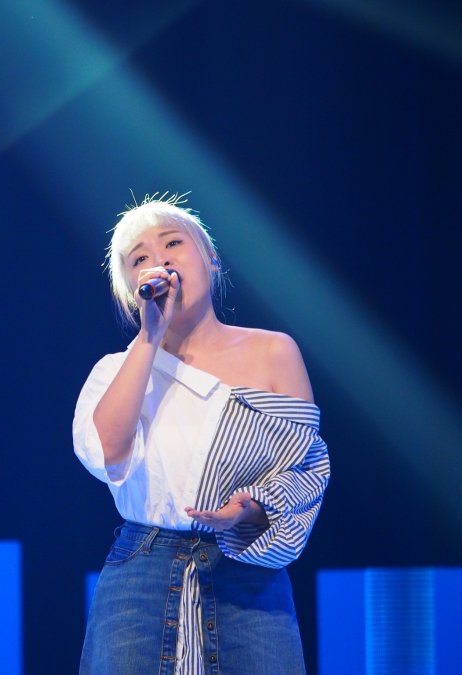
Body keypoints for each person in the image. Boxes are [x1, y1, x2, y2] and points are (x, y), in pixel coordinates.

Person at [73, 193, 330, 674]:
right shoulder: (115, 371)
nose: (160, 260)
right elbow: (108, 453)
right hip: (141, 572)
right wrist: (150, 338)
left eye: (173, 243)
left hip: (247, 574)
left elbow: (304, 469)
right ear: (131, 290)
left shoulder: (274, 353)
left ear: (210, 259)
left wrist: (247, 509)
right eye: (140, 258)